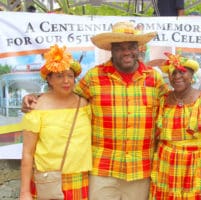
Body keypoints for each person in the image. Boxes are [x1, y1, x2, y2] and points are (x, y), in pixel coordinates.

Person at [22, 21, 169, 200]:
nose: (127, 52)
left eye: (131, 46)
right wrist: (36, 97)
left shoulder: (154, 79)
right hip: (102, 170)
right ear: (111, 50)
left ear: (139, 49)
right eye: (120, 47)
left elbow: (173, 104)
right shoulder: (94, 77)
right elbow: (65, 95)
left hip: (140, 169)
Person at [20, 44, 92, 200]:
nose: (66, 81)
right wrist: (24, 192)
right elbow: (27, 153)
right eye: (59, 76)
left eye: (70, 76)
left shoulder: (85, 105)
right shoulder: (36, 108)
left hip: (80, 179)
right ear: (49, 80)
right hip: (48, 180)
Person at [149, 52, 201, 199]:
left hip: (197, 163)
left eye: (182, 72)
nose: (177, 76)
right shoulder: (163, 99)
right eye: (173, 73)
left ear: (192, 75)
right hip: (166, 162)